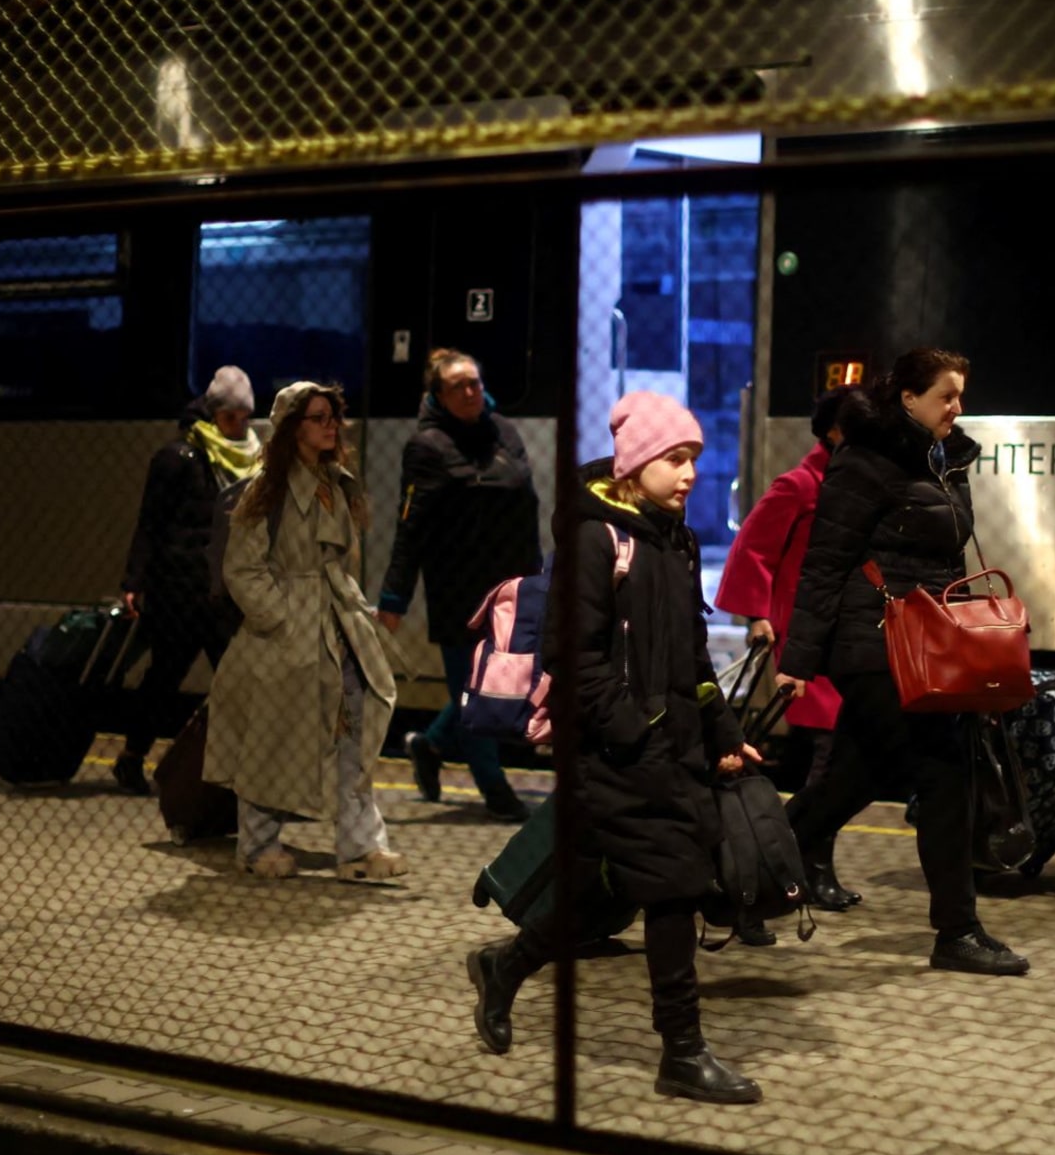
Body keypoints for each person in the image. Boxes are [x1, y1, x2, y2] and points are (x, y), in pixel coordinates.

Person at [466, 391, 765, 1105]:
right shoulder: (597, 540)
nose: (691, 472)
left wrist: (725, 733)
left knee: (603, 898)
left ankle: (506, 967)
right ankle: (683, 1054)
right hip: (613, 753)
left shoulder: (675, 538)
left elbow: (693, 657)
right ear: (635, 466)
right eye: (675, 459)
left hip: (671, 750)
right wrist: (634, 730)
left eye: (694, 458)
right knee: (672, 887)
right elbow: (579, 659)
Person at [775, 348, 1030, 976]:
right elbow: (825, 562)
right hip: (872, 643)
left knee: (852, 781)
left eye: (961, 395)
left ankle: (743, 872)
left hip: (924, 644)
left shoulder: (946, 461)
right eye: (946, 395)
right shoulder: (862, 461)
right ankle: (957, 930)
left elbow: (944, 563)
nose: (958, 408)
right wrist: (798, 659)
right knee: (944, 774)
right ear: (908, 398)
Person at [203, 382, 407, 882]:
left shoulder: (337, 483)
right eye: (317, 417)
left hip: (338, 623)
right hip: (288, 633)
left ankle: (360, 848)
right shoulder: (265, 490)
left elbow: (339, 561)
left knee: (355, 727)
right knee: (273, 737)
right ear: (292, 427)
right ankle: (256, 845)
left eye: (332, 415)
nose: (330, 425)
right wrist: (280, 616)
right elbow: (242, 569)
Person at [377, 349, 542, 822]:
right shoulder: (427, 447)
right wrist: (395, 597)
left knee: (498, 684)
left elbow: (527, 507)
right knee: (476, 693)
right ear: (439, 395)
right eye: (458, 387)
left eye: (474, 382)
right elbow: (411, 529)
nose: (470, 392)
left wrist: (534, 580)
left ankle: (429, 745)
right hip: (458, 592)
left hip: (507, 588)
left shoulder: (504, 432)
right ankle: (495, 789)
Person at [714, 385, 861, 912]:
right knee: (827, 758)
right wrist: (756, 615)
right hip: (801, 640)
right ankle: (806, 866)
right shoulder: (799, 485)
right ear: (836, 431)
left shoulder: (848, 483)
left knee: (833, 760)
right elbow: (751, 548)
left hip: (841, 638)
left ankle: (794, 862)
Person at [114, 365, 260, 794]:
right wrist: (134, 581)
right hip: (178, 590)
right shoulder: (178, 457)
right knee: (164, 678)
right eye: (231, 417)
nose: (239, 426)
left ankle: (241, 774)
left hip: (222, 593)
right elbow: (150, 524)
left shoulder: (252, 458)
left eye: (244, 417)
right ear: (212, 413)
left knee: (234, 682)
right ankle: (132, 758)